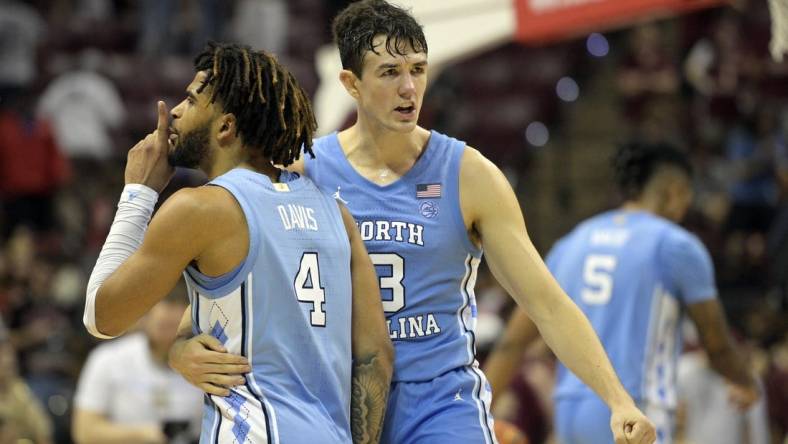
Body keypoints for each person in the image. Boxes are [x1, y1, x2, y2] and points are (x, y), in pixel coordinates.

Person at [172, 2, 656, 443]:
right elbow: (237, 280)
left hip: (441, 406)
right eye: (389, 72)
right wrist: (181, 346)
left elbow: (546, 303)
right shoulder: (305, 171)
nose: (409, 88)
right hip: (341, 401)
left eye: (418, 70)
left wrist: (617, 400)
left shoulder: (469, 175)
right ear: (350, 84)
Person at [82, 41, 393, 443]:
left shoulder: (200, 209)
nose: (174, 111)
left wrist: (138, 194)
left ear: (225, 127)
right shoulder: (336, 214)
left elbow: (100, 317)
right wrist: (181, 348)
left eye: (191, 101)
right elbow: (376, 355)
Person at [483, 142, 760, 444]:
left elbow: (512, 343)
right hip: (633, 413)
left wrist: (480, 410)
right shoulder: (678, 246)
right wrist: (746, 381)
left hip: (569, 413)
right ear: (673, 192)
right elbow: (716, 344)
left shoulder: (571, 242)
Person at [73, 286, 202, 444]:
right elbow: (85, 432)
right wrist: (144, 435)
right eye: (164, 325)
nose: (170, 333)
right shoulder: (107, 359)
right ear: (144, 317)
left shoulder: (203, 360)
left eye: (175, 326)